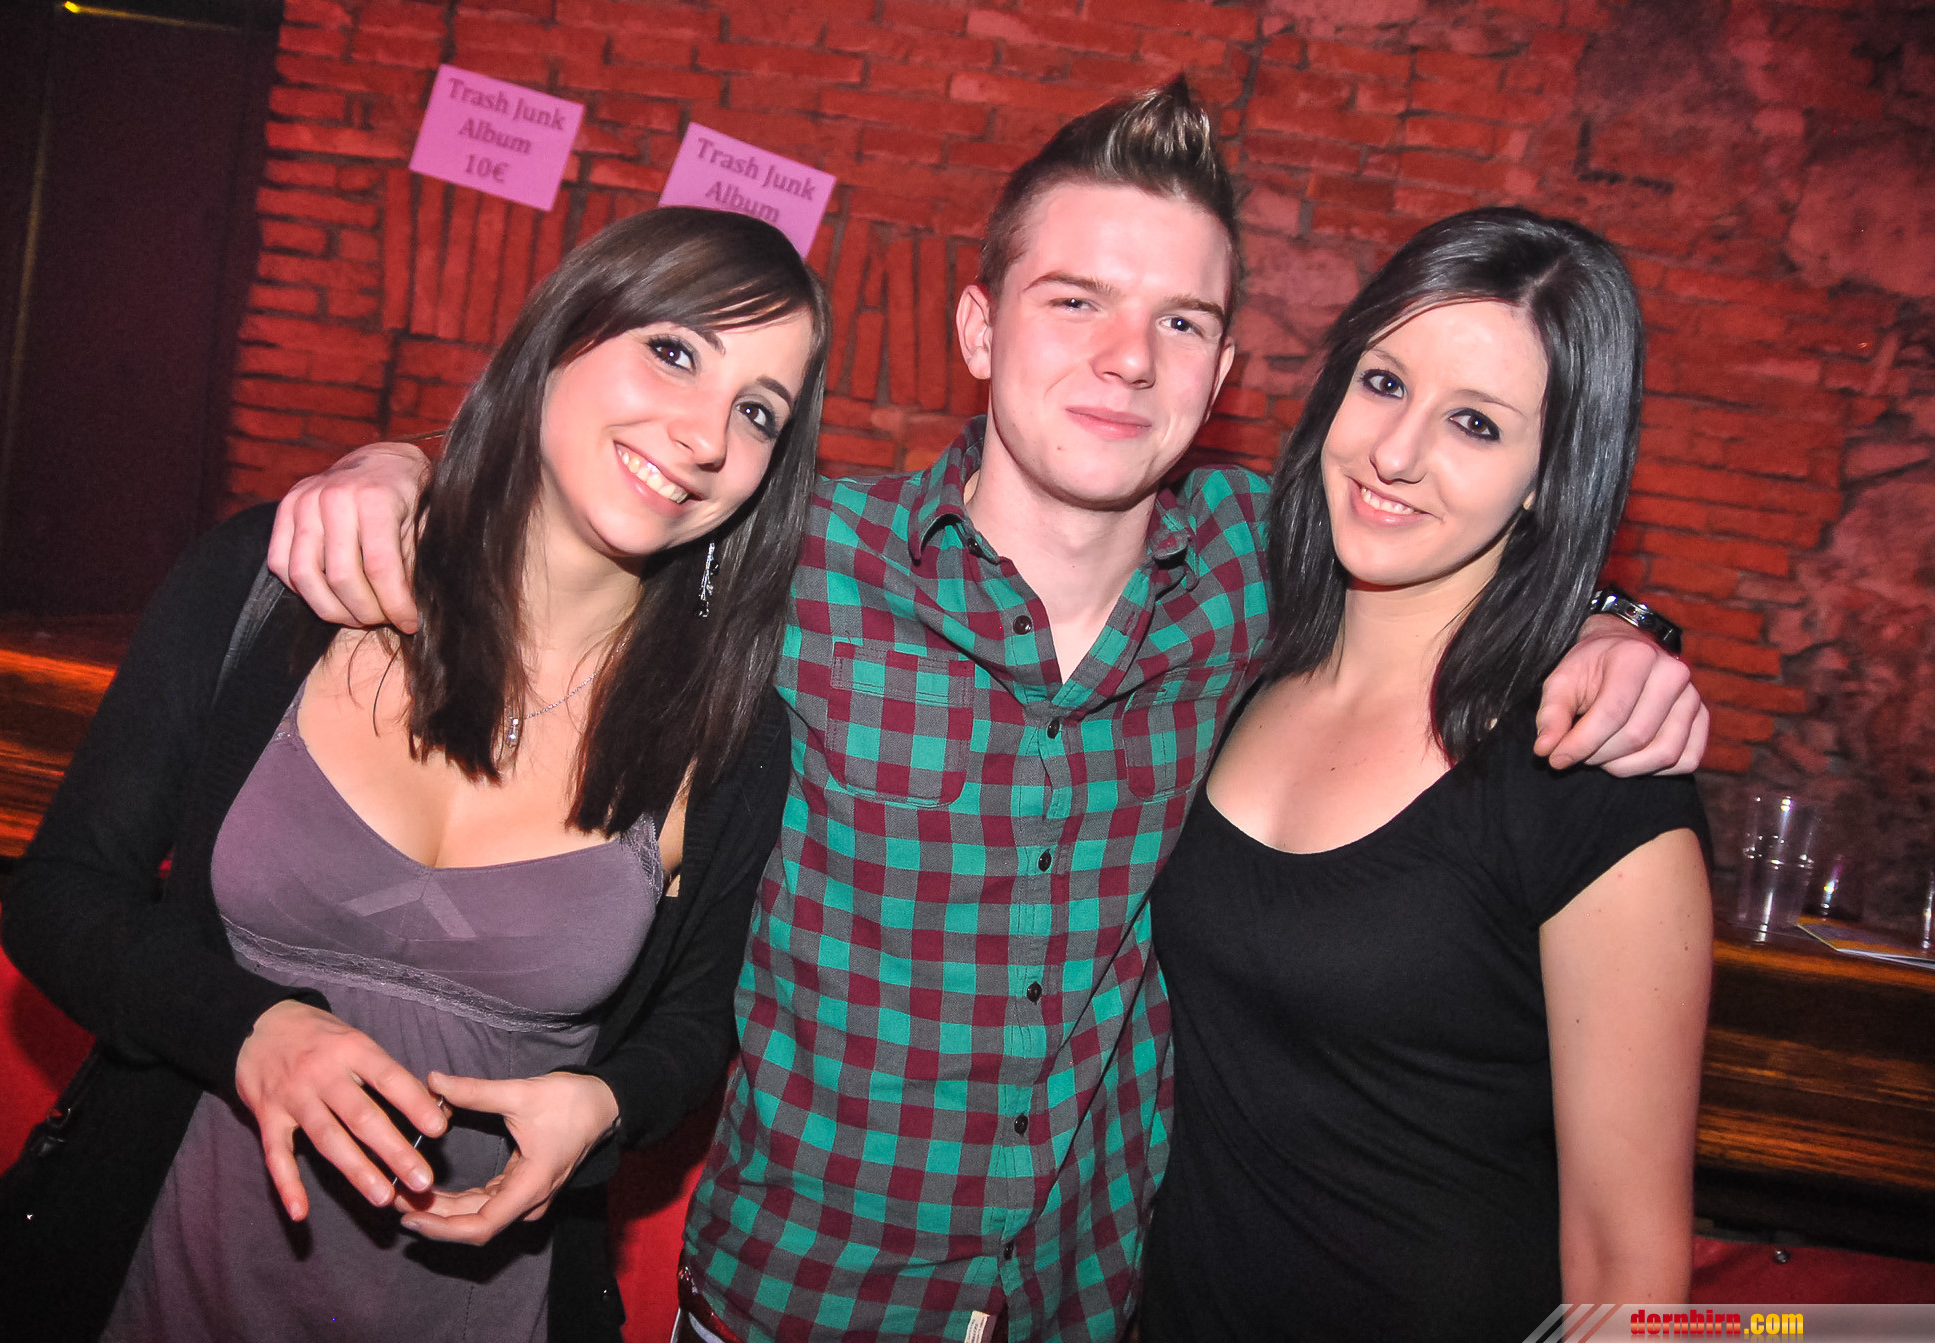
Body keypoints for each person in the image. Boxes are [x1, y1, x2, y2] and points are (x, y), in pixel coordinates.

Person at [263, 83, 1708, 1342]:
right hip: (794, 1304)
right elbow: (576, 504)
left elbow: (1450, 533)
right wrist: (396, 472)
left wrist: (1610, 624)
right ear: (978, 324)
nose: (1126, 357)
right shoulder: (793, 562)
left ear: (1220, 377)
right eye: (1074, 300)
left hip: (1093, 1309)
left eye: (1180, 321)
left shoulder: (1259, 580)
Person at [0, 206, 829, 1343]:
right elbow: (61, 894)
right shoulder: (283, 584)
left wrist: (605, 1104)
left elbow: (695, 1025)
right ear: (561, 335)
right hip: (158, 1280)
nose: (704, 433)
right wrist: (248, 1028)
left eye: (757, 411)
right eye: (673, 351)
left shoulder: (727, 735)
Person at [1138, 208, 1712, 1342]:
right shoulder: (1236, 660)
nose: (1395, 453)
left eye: (1476, 424)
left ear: (1550, 474)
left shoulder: (1588, 770)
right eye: (1385, 382)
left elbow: (1627, 1259)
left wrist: (1612, 622)